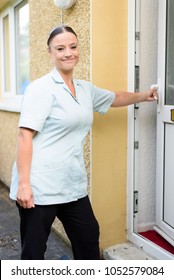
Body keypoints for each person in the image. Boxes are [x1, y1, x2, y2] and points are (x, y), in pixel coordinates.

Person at [10, 25, 158, 260]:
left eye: (73, 46)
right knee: (34, 251)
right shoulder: (41, 89)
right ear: (50, 52)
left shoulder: (83, 89)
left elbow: (114, 97)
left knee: (88, 238)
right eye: (60, 48)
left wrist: (144, 96)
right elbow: (24, 136)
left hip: (71, 184)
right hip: (40, 187)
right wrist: (24, 185)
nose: (68, 53)